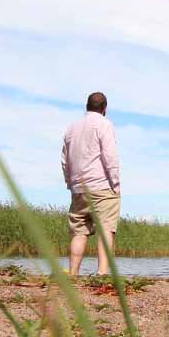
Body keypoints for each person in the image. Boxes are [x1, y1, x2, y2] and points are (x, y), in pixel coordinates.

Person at [61, 92, 120, 276]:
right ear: (105, 108)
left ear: (86, 106)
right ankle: (102, 274)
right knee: (106, 229)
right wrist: (115, 183)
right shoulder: (105, 124)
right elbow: (109, 155)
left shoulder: (72, 127)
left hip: (78, 187)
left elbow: (64, 159)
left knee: (79, 231)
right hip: (102, 186)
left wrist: (70, 183)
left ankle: (73, 273)